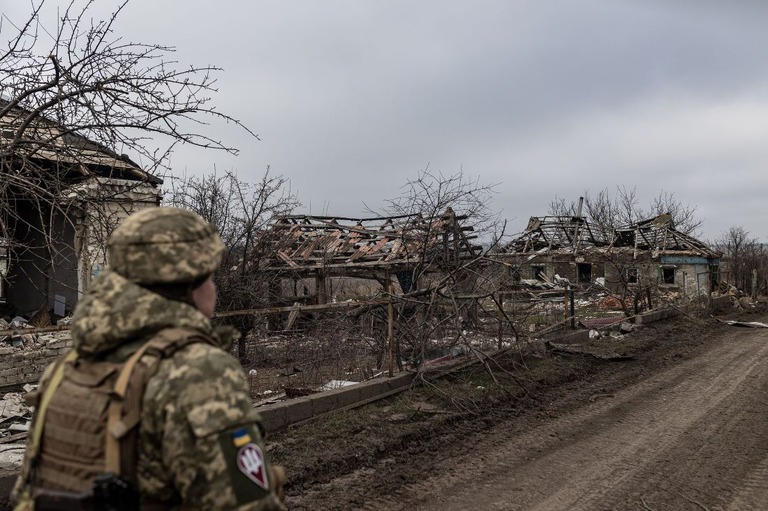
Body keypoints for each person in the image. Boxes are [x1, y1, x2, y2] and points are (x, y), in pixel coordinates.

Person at [12, 207, 286, 510]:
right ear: (186, 283)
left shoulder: (67, 368)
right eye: (209, 275)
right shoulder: (196, 372)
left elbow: (26, 495)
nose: (214, 288)